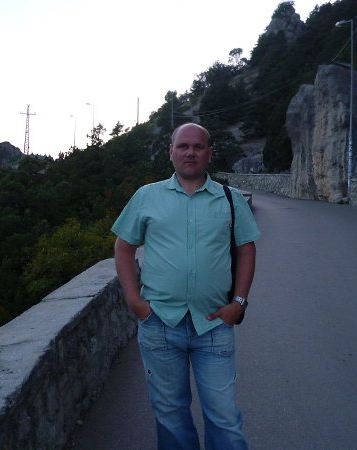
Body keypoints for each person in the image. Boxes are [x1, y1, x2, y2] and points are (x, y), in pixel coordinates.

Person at [112, 123, 260, 450]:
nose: (190, 152)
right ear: (171, 152)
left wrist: (238, 303)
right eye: (183, 146)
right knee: (171, 415)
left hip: (214, 325)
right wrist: (134, 301)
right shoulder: (147, 196)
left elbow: (246, 249)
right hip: (160, 324)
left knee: (225, 419)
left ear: (209, 153)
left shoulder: (230, 200)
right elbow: (123, 247)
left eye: (197, 146)